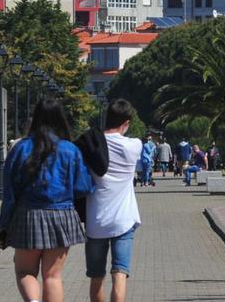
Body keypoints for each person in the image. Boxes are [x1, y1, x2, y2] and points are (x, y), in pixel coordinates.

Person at [0, 97, 93, 302]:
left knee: (25, 271)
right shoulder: (70, 149)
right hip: (62, 215)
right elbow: (83, 187)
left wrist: (4, 225)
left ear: (36, 118)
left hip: (28, 215)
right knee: (53, 276)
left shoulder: (21, 148)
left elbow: (9, 191)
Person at [84, 99, 142, 302]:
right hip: (123, 220)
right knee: (120, 273)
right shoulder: (134, 146)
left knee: (96, 277)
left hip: (95, 220)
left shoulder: (91, 145)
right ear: (126, 123)